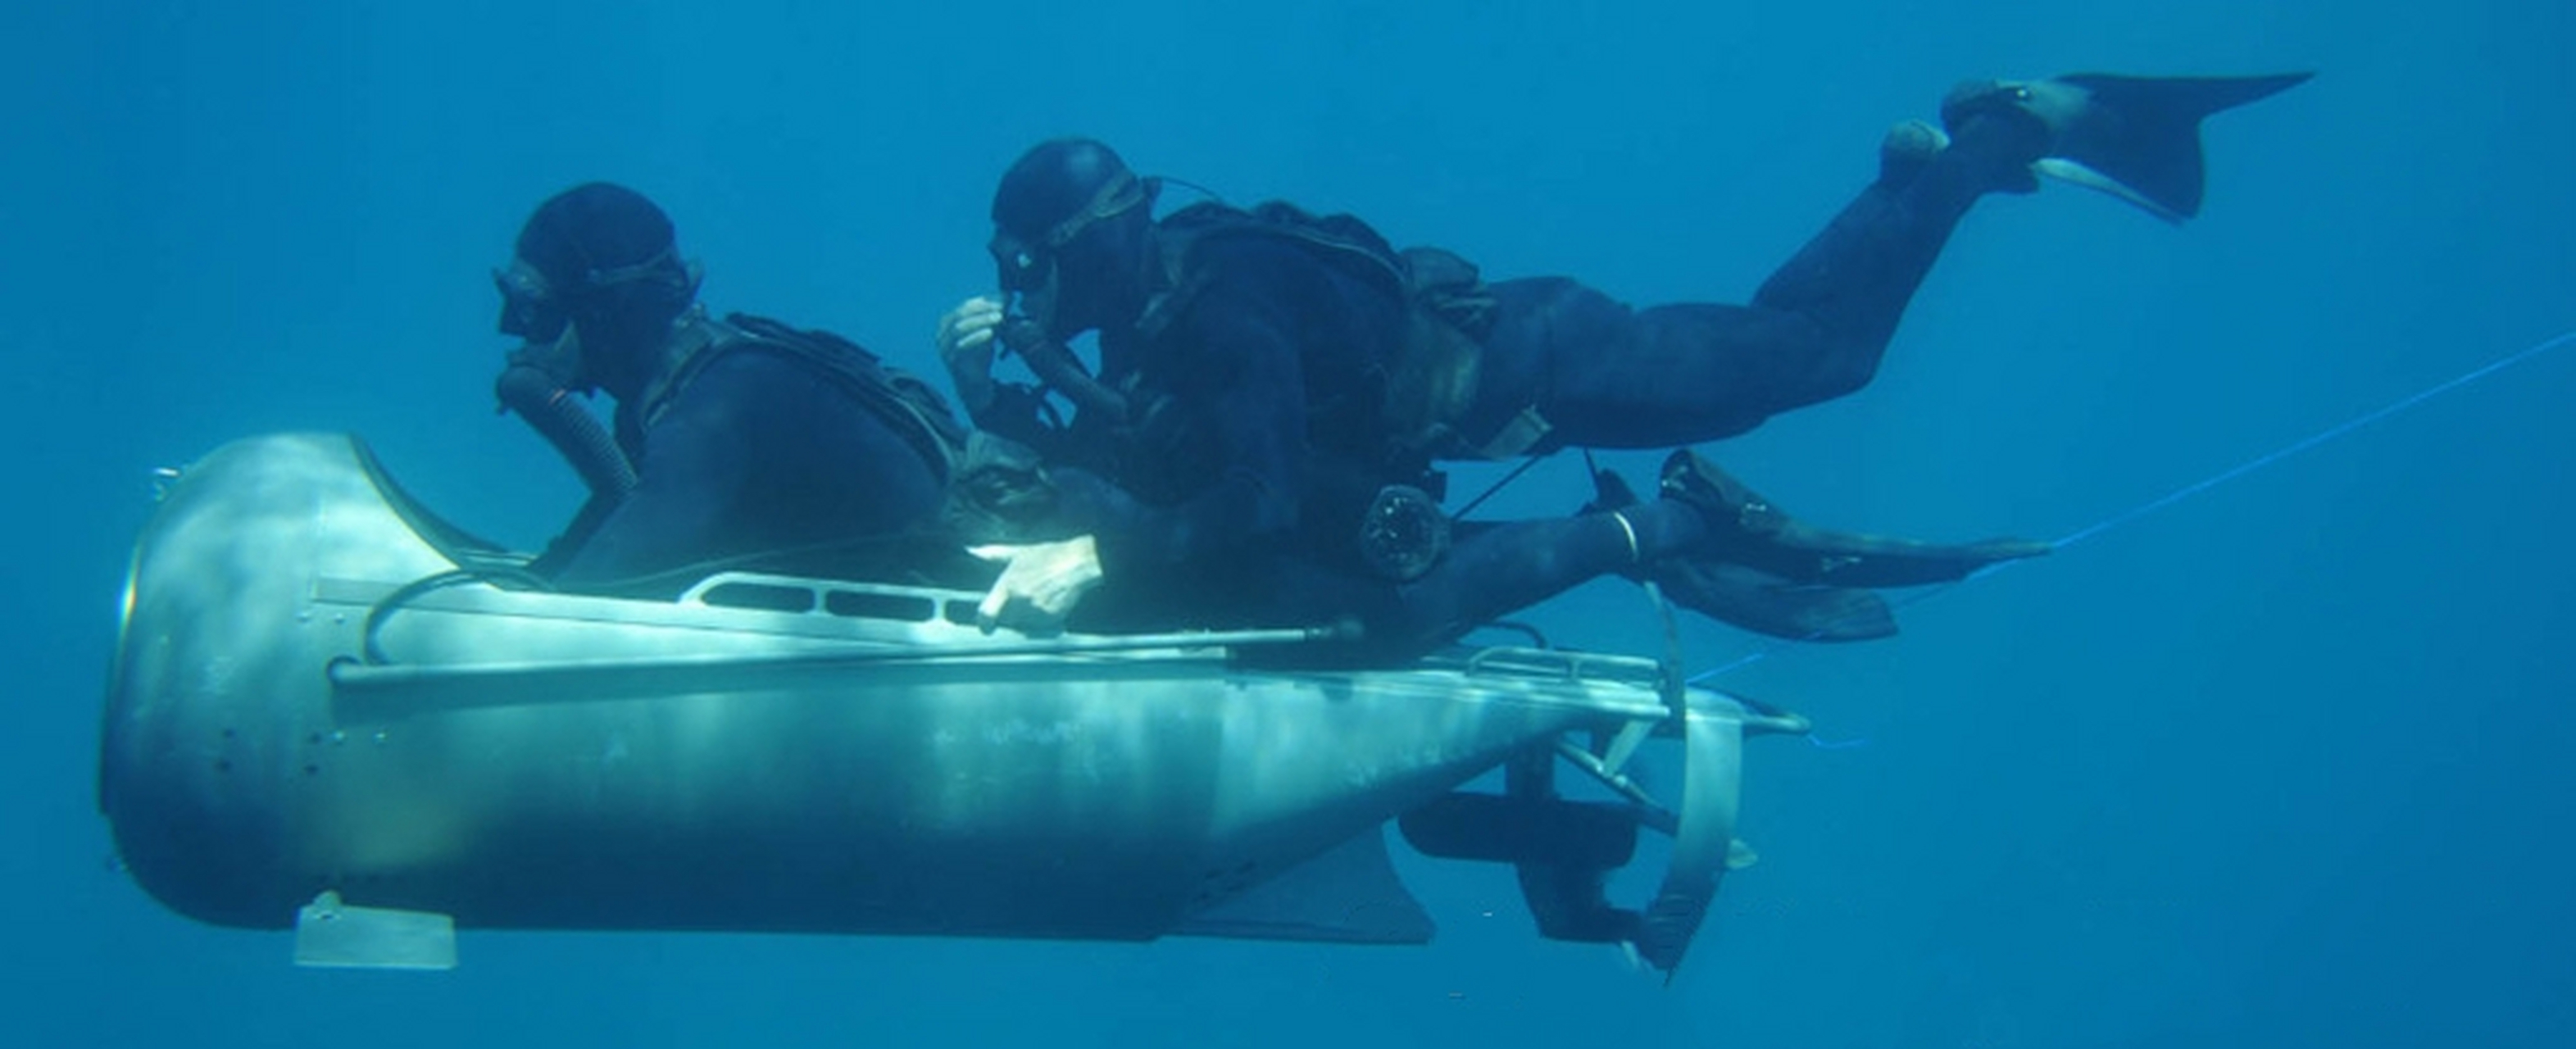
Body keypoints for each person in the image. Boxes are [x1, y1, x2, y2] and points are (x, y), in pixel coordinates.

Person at [936, 72, 2307, 655]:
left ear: (1083, 243)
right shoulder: (1158, 296)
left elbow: (1247, 493)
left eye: (1029, 266)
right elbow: (1155, 445)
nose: (1026, 292)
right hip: (1509, 373)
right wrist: (998, 397)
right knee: (1777, 349)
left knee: (1821, 364)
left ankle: (2000, 136)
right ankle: (1908, 181)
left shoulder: (1216, 302)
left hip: (1542, 358)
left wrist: (1103, 555)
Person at [490, 182, 968, 593]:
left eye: (534, 308)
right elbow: (595, 543)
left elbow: (593, 593)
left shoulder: (720, 410)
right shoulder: (686, 397)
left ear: (602, 312)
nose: (511, 329)